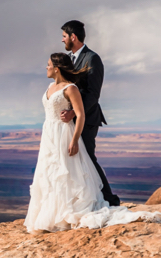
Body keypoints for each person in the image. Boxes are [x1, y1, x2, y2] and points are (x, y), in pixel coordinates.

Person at [24, 53, 161, 233]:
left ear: (57, 69)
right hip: (49, 134)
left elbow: (80, 115)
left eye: (48, 65)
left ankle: (66, 212)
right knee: (49, 172)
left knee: (67, 172)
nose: (46, 67)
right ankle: (50, 213)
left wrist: (74, 140)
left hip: (64, 134)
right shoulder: (50, 86)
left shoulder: (70, 88)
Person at [60, 20, 121, 206]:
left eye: (64, 36)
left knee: (88, 158)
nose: (62, 40)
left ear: (73, 37)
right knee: (74, 159)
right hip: (72, 119)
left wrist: (74, 113)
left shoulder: (92, 58)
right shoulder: (69, 58)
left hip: (87, 118)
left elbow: (92, 94)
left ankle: (110, 199)